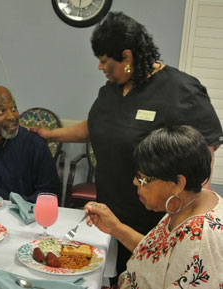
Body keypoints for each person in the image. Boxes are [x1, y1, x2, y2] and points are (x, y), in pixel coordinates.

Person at [29, 11, 223, 281]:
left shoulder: (181, 90)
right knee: (119, 275)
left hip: (155, 216)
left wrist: (190, 211)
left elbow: (206, 148)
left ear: (128, 57)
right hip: (113, 206)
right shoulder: (110, 91)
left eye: (105, 61)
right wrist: (52, 135)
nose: (100, 68)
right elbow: (94, 126)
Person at [85, 125, 223, 289]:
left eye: (144, 179)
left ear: (178, 183)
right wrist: (115, 228)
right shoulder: (189, 200)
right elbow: (159, 256)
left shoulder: (199, 239)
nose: (135, 182)